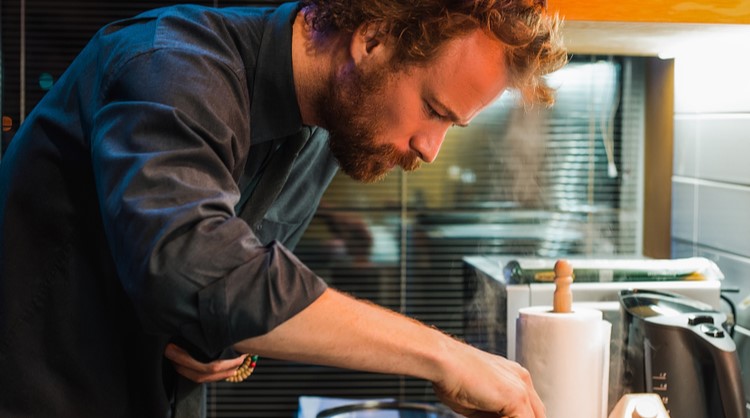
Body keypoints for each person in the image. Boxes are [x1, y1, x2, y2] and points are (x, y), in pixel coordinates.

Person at [0, 0, 567, 416]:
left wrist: (229, 348)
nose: (430, 147)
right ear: (371, 40)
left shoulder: (323, 132)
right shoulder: (169, 65)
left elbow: (234, 292)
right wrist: (450, 358)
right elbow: (191, 266)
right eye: (434, 109)